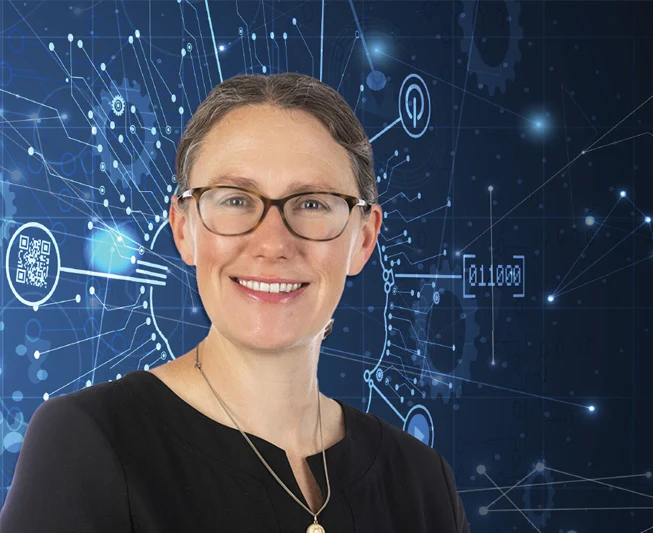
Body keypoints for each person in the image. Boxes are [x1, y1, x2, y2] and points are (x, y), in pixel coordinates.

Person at [0, 72, 470, 532]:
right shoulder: (87, 441)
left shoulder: (425, 483)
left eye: (311, 204)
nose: (272, 243)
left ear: (363, 238)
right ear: (183, 228)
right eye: (234, 200)